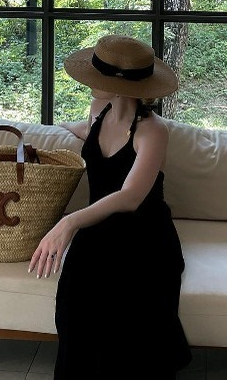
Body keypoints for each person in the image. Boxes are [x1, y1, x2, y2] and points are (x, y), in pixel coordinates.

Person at [28, 34, 192, 378]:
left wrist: (69, 222)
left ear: (118, 87)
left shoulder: (152, 132)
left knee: (127, 305)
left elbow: (131, 196)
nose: (89, 84)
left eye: (96, 79)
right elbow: (89, 134)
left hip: (145, 234)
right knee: (76, 300)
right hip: (99, 227)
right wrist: (48, 132)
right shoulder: (97, 112)